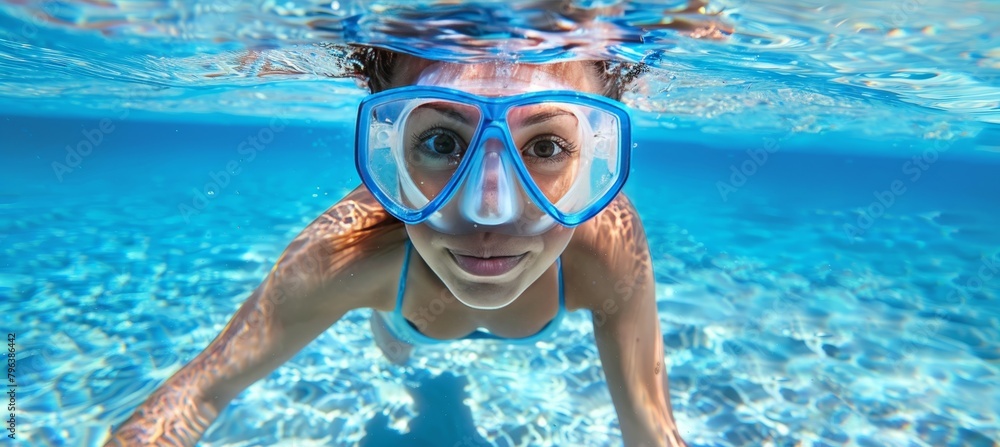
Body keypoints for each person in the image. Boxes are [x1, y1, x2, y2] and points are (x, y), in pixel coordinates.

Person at [105, 46, 687, 447]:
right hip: (401, 305)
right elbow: (198, 393)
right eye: (440, 141)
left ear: (595, 155)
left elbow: (649, 426)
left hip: (412, 288)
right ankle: (390, 328)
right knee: (395, 341)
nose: (490, 209)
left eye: (546, 148)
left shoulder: (606, 243)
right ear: (391, 151)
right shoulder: (346, 252)